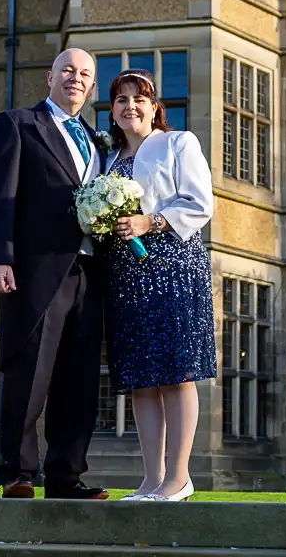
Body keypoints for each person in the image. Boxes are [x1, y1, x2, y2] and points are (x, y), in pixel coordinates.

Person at [0, 48, 108, 500]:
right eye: (68, 70)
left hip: (90, 272)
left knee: (79, 379)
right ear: (49, 77)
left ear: (92, 87)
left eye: (85, 74)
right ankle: (18, 471)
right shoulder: (18, 124)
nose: (76, 78)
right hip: (35, 271)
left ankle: (65, 476)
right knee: (29, 369)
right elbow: (0, 197)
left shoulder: (100, 141)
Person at [103, 69, 216, 502]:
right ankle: (151, 480)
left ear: (154, 108)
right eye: (120, 100)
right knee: (141, 380)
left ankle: (179, 477)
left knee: (175, 374)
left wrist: (150, 221)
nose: (130, 105)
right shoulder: (106, 160)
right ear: (112, 112)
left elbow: (200, 201)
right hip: (126, 275)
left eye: (139, 99)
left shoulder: (178, 143)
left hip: (172, 265)